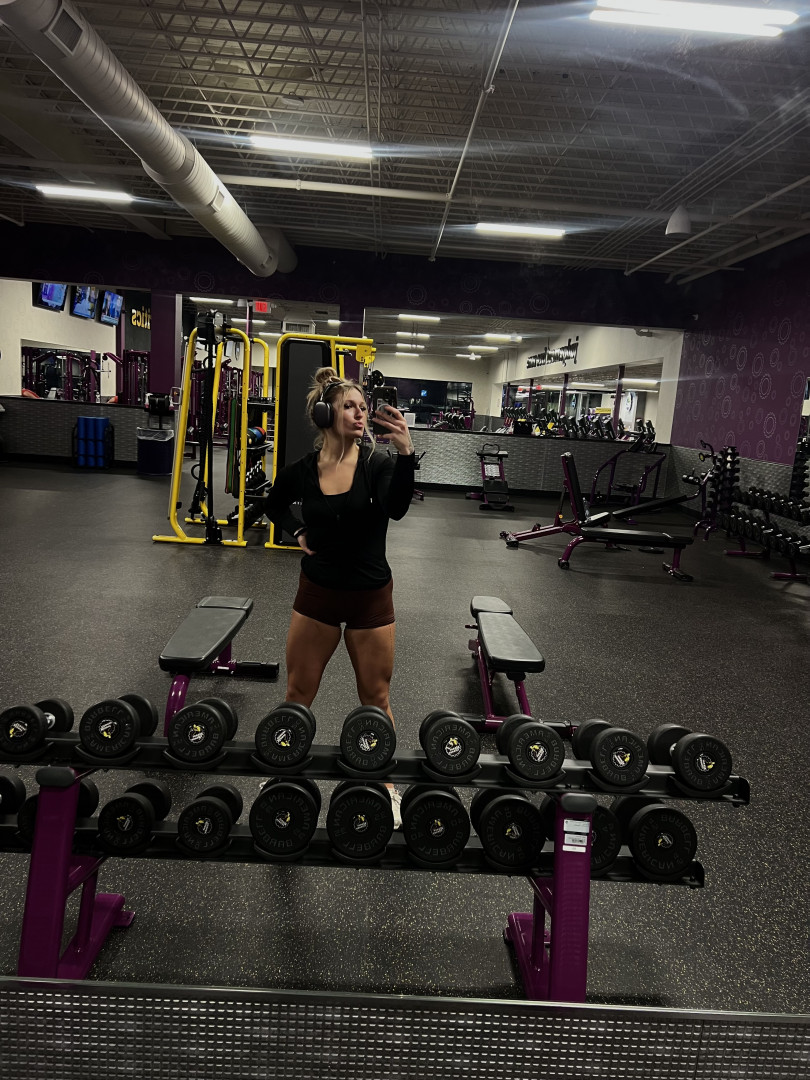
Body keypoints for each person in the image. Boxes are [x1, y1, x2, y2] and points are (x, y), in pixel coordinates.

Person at [263, 367, 416, 822]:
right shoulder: (304, 470)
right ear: (324, 414)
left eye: (363, 407)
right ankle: (283, 770)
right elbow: (273, 504)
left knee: (376, 698)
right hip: (319, 595)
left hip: (370, 596)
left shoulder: (377, 464)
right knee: (298, 692)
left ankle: (385, 782)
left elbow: (397, 509)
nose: (360, 413)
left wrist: (405, 453)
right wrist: (297, 530)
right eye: (349, 406)